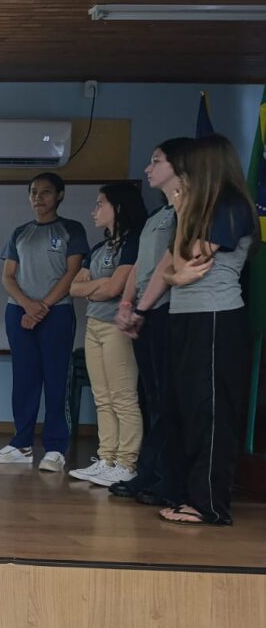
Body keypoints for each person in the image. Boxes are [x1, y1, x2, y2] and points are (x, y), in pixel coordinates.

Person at [153, 134, 259, 526]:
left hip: (216, 318)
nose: (182, 174)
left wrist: (177, 272)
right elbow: (172, 271)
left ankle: (210, 503)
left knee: (210, 412)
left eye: (187, 166)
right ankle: (189, 495)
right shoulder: (197, 209)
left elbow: (187, 261)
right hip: (186, 317)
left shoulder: (231, 207)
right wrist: (175, 274)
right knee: (183, 410)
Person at [0, 172, 90, 473]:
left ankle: (56, 448)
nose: (38, 197)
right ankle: (21, 444)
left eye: (45, 192)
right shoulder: (20, 232)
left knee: (56, 379)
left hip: (56, 314)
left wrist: (43, 306)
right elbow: (8, 276)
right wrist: (28, 306)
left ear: (59, 195)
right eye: (33, 192)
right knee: (24, 378)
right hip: (19, 312)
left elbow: (71, 273)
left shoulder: (72, 229)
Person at [112, 138, 190, 507]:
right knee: (149, 398)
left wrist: (143, 308)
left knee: (165, 401)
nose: (147, 168)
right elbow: (143, 265)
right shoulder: (158, 217)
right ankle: (148, 472)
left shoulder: (185, 214)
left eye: (155, 160)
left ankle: (166, 479)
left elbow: (170, 266)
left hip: (166, 312)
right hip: (144, 309)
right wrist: (128, 304)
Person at [68, 183, 147, 487]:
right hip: (94, 325)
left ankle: (126, 462)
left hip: (118, 327)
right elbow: (75, 288)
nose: (94, 211)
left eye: (100, 204)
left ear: (119, 208)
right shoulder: (100, 248)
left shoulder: (133, 243)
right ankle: (106, 458)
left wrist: (98, 288)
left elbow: (117, 288)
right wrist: (98, 289)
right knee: (102, 397)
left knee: (123, 396)